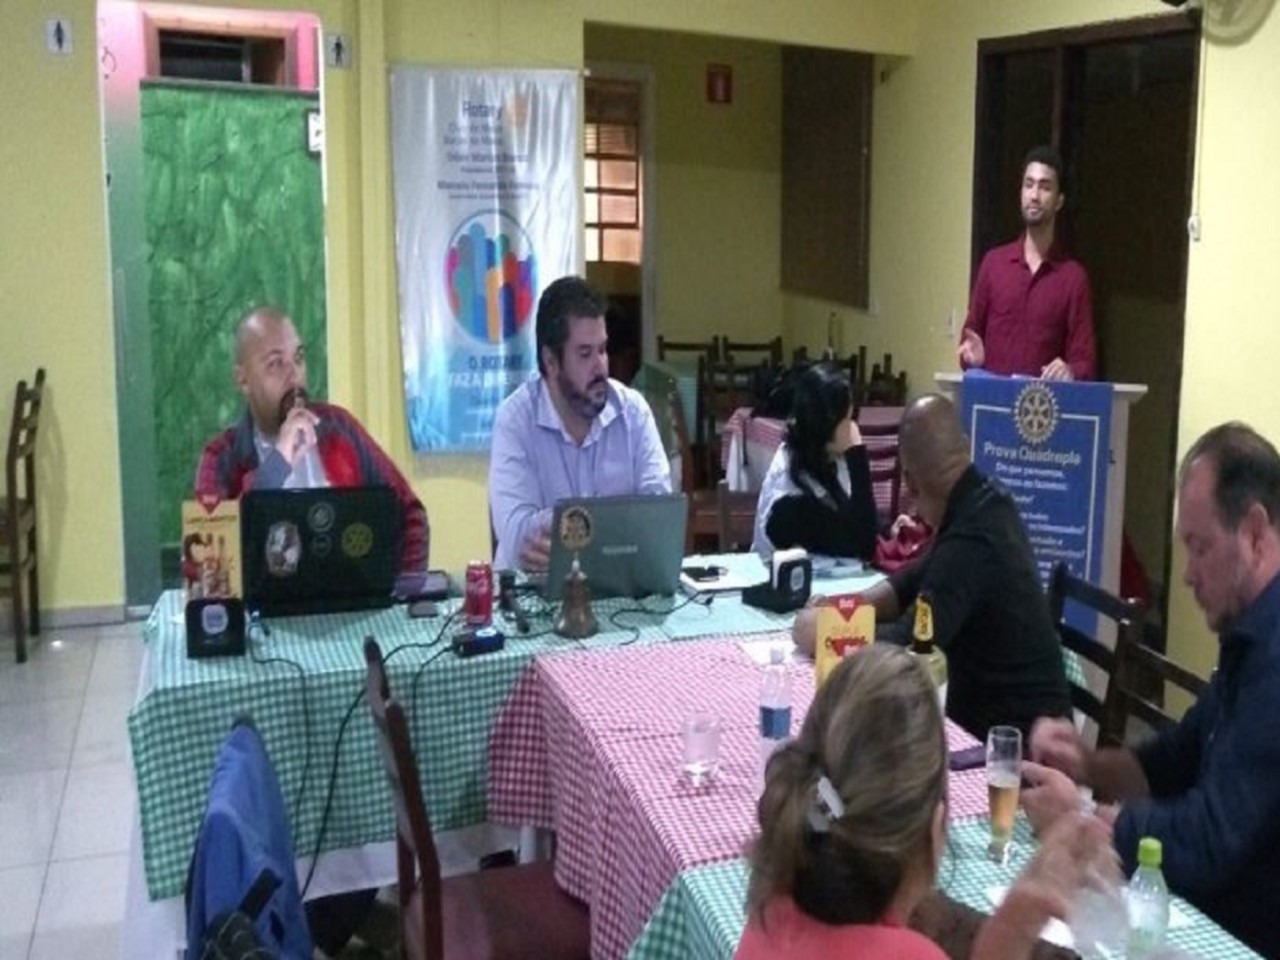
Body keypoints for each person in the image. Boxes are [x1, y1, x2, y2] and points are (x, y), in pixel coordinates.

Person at [1021, 422, 1280, 957]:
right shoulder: (1252, 635)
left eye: (1200, 547)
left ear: (1255, 534)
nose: (1186, 575)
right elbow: (1173, 760)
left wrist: (1085, 821)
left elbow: (1207, 841)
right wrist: (1086, 764)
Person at [736, 643, 1117, 960]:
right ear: (935, 829)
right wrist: (1016, 924)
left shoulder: (768, 915)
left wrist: (1012, 923)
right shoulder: (912, 954)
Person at [792, 394, 1070, 740]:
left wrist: (826, 632)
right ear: (965, 447)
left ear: (909, 483)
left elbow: (911, 645)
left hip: (1014, 747)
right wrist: (844, 606)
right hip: (1001, 721)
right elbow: (911, 581)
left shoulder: (973, 538)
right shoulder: (986, 500)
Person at [195, 306, 429, 574]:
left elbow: (411, 514)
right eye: (276, 364)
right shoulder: (220, 457)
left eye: (298, 358)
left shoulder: (339, 429)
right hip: (264, 602)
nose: (294, 374)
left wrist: (405, 589)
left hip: (347, 598)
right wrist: (278, 463)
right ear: (243, 379)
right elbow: (210, 558)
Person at [488, 276, 671, 573]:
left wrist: (571, 536)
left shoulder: (633, 413)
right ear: (551, 361)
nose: (600, 366)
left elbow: (659, 516)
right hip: (535, 591)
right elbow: (519, 538)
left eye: (603, 349)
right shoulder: (515, 421)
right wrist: (617, 530)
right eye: (585, 354)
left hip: (617, 587)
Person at [958, 145, 1096, 382]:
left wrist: (1070, 371)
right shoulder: (994, 264)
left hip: (1042, 404)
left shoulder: (1073, 278)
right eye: (1029, 184)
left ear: (1059, 201)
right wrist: (972, 358)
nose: (1034, 195)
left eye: (1045, 187)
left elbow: (1086, 361)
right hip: (993, 400)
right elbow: (968, 341)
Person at [751, 362, 878, 563]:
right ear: (825, 423)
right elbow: (863, 544)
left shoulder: (817, 457)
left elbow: (851, 516)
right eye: (848, 419)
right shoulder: (788, 496)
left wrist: (888, 528)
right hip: (781, 581)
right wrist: (857, 455)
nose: (854, 427)